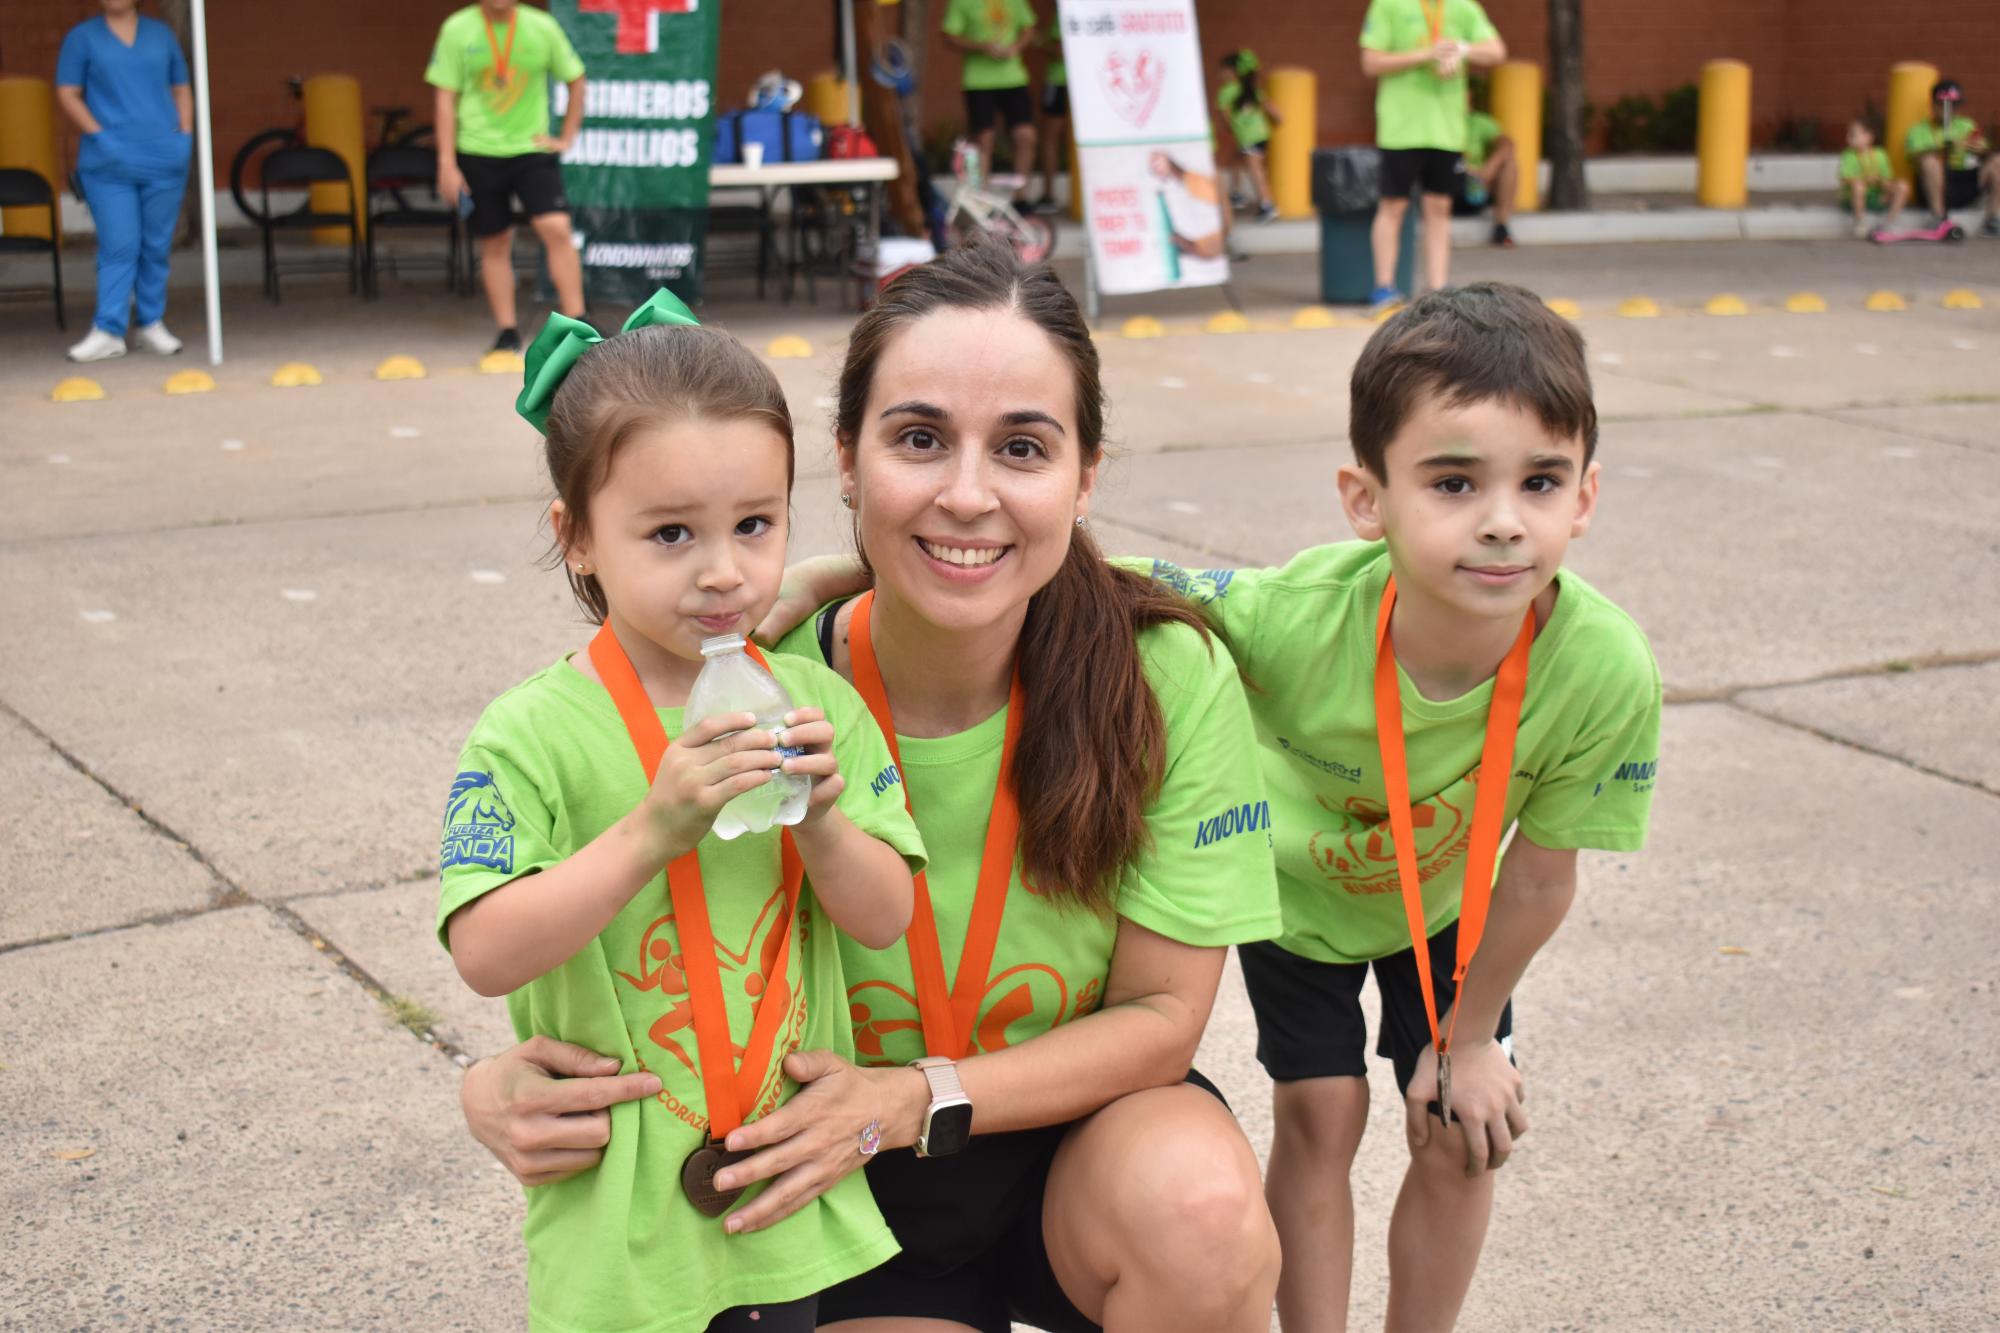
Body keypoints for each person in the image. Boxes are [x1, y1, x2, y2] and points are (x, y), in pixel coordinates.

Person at [460, 241, 1286, 1333]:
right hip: (836, 1187)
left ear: (1085, 476)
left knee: (1200, 1209)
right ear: (844, 461)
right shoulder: (749, 684)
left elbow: (1161, 1022)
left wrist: (911, 1098)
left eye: (1023, 447)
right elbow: (613, 931)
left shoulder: (1159, 675)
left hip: (1069, 1144)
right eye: (918, 439)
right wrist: (497, 1086)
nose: (967, 492)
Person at [1138, 283, 1661, 1332]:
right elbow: (1101, 580)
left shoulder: (1602, 668)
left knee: (1459, 1124)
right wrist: (850, 572)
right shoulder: (1289, 616)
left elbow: (1540, 873)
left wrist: (1469, 1040)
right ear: (1365, 498)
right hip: (1300, 896)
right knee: (1321, 1112)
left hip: (1453, 905)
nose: (1503, 522)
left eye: (1540, 481)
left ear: (1585, 498)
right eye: (1453, 482)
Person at [437, 291, 925, 1332]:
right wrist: (650, 831)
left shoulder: (818, 705)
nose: (722, 571)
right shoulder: (528, 733)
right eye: (668, 533)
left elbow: (883, 917)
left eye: (754, 525)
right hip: (617, 1215)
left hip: (783, 1193)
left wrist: (825, 822)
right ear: (575, 539)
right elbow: (484, 951)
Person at [426, 0, 589, 355]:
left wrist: (566, 137)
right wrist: (446, 163)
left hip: (531, 150)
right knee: (495, 242)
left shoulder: (541, 26)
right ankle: (508, 330)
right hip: (477, 152)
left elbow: (577, 79)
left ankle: (578, 322)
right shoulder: (457, 28)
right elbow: (444, 100)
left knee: (556, 228)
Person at [54, 0, 193, 364]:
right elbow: (67, 92)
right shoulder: (82, 38)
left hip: (163, 156)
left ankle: (150, 323)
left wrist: (184, 137)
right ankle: (109, 329)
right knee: (119, 245)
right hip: (108, 161)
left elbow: (181, 87)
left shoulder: (161, 35)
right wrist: (98, 135)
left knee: (156, 245)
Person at [1359, 0, 1506, 314]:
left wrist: (1462, 50)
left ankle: (1437, 288)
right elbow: (1371, 62)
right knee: (1393, 205)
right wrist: (1427, 53)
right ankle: (1384, 288)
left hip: (1446, 128)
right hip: (1401, 128)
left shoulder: (1463, 7)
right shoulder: (1387, 5)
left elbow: (1496, 51)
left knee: (1439, 206)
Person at [942, 0, 1038, 201]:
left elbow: (1029, 28)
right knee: (984, 138)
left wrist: (1015, 47)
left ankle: (1021, 197)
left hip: (1014, 78)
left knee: (1025, 135)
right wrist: (981, 46)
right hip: (978, 81)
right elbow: (948, 36)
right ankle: (981, 198)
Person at [1905, 78, 1999, 235]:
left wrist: (1977, 149)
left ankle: (1993, 218)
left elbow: (1985, 149)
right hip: (1938, 185)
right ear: (1933, 105)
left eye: (1954, 106)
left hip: (1965, 181)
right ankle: (1938, 217)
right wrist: (1944, 147)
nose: (1950, 111)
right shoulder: (1919, 130)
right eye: (1944, 106)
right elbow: (1915, 156)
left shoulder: (1966, 125)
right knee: (1929, 162)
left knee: (1997, 161)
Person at [1217, 50, 1281, 224]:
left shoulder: (1227, 91)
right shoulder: (1251, 89)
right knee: (1234, 159)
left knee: (1256, 171)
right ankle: (1236, 193)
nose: (1220, 74)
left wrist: (1233, 129)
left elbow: (1225, 117)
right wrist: (1278, 119)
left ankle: (1268, 205)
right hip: (1261, 134)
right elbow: (1272, 109)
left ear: (1231, 71)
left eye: (1223, 70)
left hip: (1247, 136)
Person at [1456, 102, 1517, 248]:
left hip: (1477, 184)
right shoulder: (1436, 122)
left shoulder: (1479, 122)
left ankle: (1501, 226)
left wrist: (1488, 168)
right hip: (1445, 186)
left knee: (1510, 163)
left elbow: (1507, 144)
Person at [1840, 117, 1908, 237]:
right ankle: (1860, 224)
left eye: (1853, 134)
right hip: (1855, 197)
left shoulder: (1880, 154)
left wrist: (1883, 186)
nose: (1848, 138)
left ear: (1868, 136)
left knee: (1902, 186)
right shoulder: (1848, 155)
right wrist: (1865, 181)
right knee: (1858, 187)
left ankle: (1889, 223)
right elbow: (1845, 179)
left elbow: (1887, 179)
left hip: (1877, 196)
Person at [1028, 9, 1068, 215]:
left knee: (1049, 138)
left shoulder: (1066, 11)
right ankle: (1049, 195)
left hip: (1059, 81)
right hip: (1084, 82)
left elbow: (1061, 50)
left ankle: (1049, 194)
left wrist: (1038, 41)